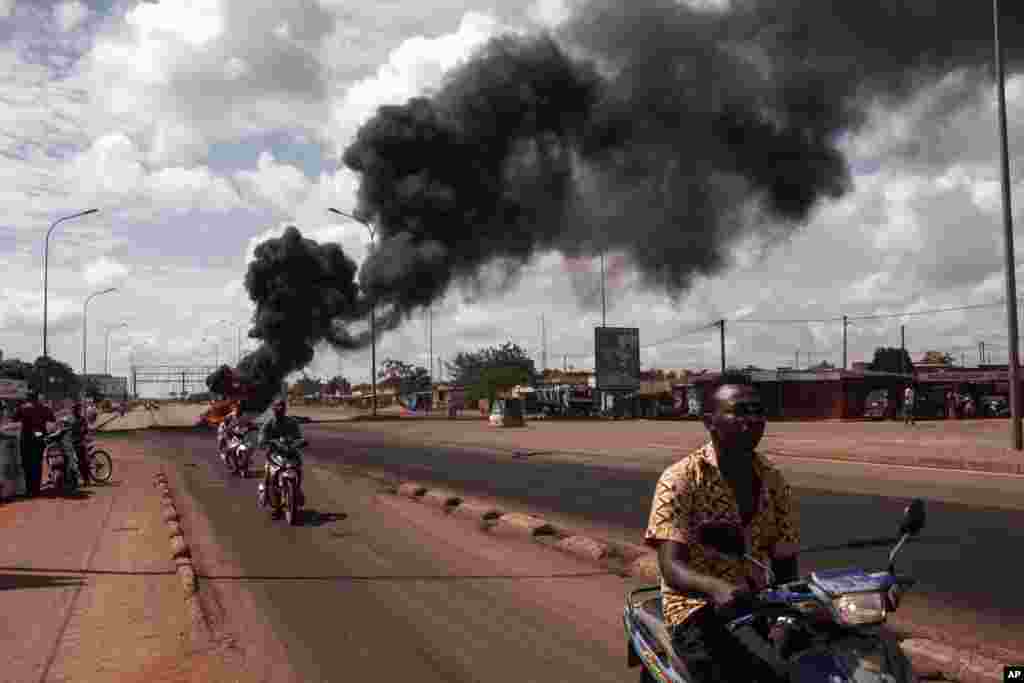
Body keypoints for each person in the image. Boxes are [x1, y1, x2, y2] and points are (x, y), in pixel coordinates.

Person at [645, 372, 799, 683]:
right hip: (696, 608)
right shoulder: (680, 479)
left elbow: (785, 562)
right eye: (740, 411)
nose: (752, 420)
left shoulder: (774, 480)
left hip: (757, 604)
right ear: (710, 420)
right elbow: (671, 566)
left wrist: (784, 619)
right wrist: (716, 588)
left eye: (757, 410)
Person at [6, 392, 56, 497]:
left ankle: (29, 489)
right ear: (38, 398)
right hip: (39, 439)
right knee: (37, 464)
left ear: (28, 399)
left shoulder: (23, 408)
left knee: (27, 465)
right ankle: (36, 489)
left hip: (27, 440)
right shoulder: (45, 408)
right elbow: (52, 419)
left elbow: (14, 419)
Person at [258, 399, 303, 517]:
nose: (280, 408)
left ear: (285, 408)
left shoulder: (292, 422)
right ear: (273, 409)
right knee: (271, 477)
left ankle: (297, 489)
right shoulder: (268, 424)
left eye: (282, 406)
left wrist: (300, 442)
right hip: (273, 454)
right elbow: (261, 439)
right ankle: (275, 505)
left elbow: (299, 437)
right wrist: (266, 442)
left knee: (298, 467)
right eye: (277, 406)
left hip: (290, 453)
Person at [66, 402, 90, 486]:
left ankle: (86, 480)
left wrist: (82, 432)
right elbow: (65, 427)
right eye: (73, 409)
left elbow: (86, 430)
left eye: (76, 409)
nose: (74, 411)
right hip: (70, 442)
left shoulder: (82, 419)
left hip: (79, 442)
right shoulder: (70, 419)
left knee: (82, 461)